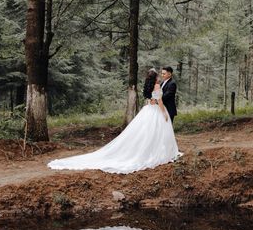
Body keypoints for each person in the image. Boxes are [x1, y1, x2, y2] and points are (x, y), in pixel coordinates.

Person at [47, 68, 181, 174]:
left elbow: (149, 98)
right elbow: (160, 101)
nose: (160, 76)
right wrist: (164, 113)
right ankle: (154, 153)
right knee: (155, 132)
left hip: (148, 110)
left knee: (145, 133)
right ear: (155, 77)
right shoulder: (157, 86)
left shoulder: (148, 85)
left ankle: (150, 150)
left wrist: (152, 102)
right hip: (156, 111)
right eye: (159, 74)